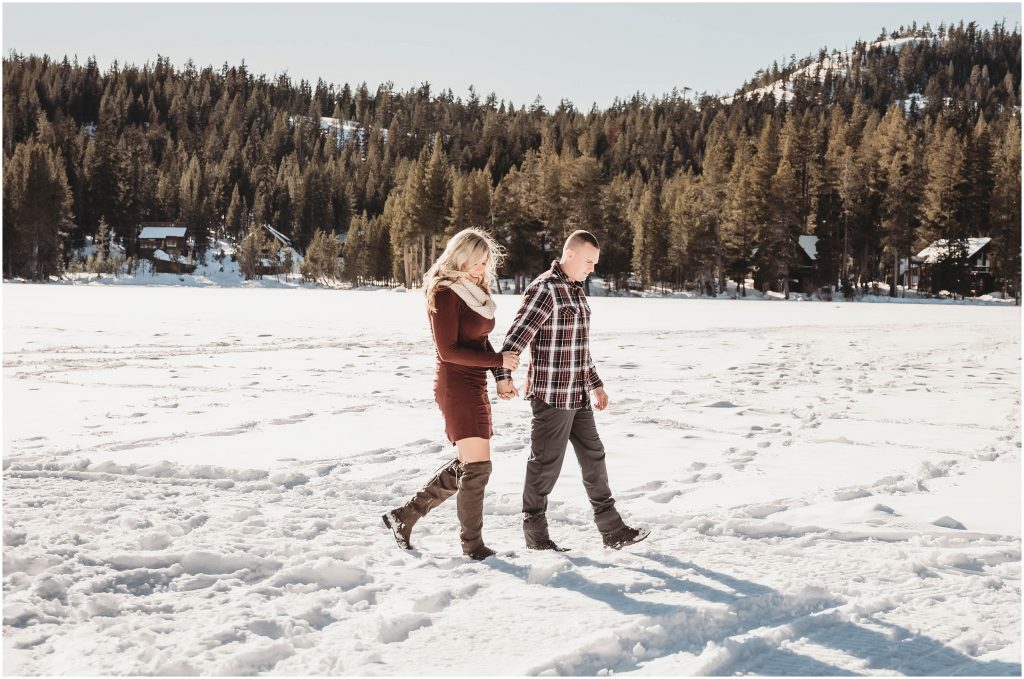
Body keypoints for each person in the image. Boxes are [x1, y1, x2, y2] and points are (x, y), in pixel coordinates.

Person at [495, 230, 649, 551]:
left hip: (577, 394)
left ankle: (612, 530)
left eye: (595, 263)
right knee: (545, 465)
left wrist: (596, 383)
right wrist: (503, 375)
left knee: (594, 456)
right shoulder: (546, 290)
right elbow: (516, 337)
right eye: (589, 262)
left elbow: (578, 347)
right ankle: (536, 539)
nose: (592, 269)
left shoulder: (576, 291)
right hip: (551, 395)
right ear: (570, 255)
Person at [382, 228, 519, 561]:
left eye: (486, 262)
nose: (482, 268)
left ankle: (405, 516)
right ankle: (472, 546)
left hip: (474, 383)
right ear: (459, 256)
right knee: (478, 466)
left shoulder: (474, 291)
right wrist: (498, 360)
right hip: (455, 384)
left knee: (471, 464)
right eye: (476, 261)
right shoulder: (444, 292)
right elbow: (448, 351)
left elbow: (479, 342)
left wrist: (500, 374)